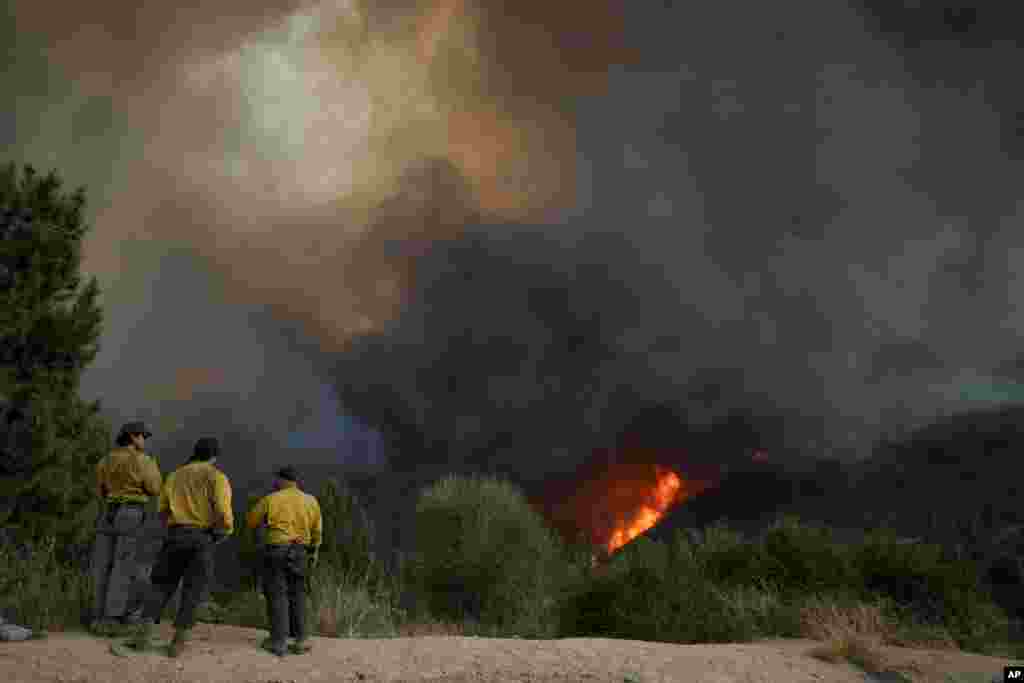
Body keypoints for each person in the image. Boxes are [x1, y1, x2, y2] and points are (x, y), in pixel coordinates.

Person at [126, 437, 233, 657]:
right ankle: (178, 643)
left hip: (175, 535)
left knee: (161, 584)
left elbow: (162, 509)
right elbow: (223, 510)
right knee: (193, 589)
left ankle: (143, 636)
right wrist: (224, 531)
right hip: (202, 537)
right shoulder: (217, 476)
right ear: (213, 456)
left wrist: (172, 529)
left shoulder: (175, 475)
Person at [92, 421, 162, 636]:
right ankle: (113, 619)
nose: (144, 440)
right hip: (130, 513)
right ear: (132, 437)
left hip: (108, 512)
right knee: (124, 565)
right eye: (143, 436)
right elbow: (154, 488)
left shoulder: (105, 460)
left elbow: (101, 490)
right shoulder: (143, 460)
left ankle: (97, 615)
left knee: (103, 564)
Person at [246, 465, 322, 657]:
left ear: (281, 480)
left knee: (277, 594)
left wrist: (263, 530)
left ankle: (278, 642)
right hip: (300, 551)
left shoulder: (271, 499)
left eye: (276, 480)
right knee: (298, 593)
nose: (274, 483)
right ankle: (301, 640)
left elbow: (251, 520)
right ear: (296, 481)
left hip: (276, 550)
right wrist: (313, 551)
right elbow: (317, 531)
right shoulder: (310, 501)